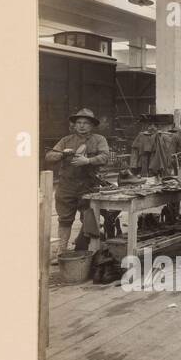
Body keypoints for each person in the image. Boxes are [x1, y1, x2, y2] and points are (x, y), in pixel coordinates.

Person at [44, 108, 110, 260]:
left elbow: (105, 157)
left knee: (89, 218)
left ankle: (89, 252)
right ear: (74, 125)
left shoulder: (99, 139)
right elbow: (49, 156)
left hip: (88, 185)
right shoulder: (66, 140)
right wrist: (62, 154)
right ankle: (62, 251)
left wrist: (88, 161)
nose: (81, 126)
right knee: (64, 219)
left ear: (92, 125)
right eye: (78, 123)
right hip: (66, 185)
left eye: (86, 123)